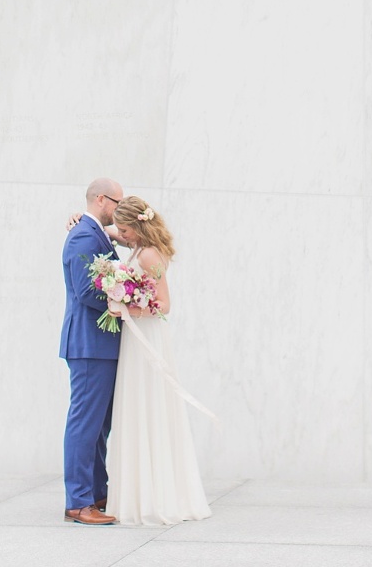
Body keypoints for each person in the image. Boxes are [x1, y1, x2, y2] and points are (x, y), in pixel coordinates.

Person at [106, 196, 212, 526]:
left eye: (124, 230)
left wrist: (125, 308)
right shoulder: (138, 247)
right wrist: (82, 220)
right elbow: (108, 229)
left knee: (147, 406)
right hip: (136, 336)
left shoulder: (149, 254)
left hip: (147, 337)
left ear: (137, 227)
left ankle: (154, 498)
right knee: (137, 406)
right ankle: (139, 494)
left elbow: (164, 305)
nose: (120, 235)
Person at [60, 177, 124, 526]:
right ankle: (79, 501)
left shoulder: (95, 233)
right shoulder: (84, 235)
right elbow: (88, 291)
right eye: (118, 202)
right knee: (85, 424)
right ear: (102, 199)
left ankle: (97, 493)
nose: (120, 209)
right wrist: (124, 299)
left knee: (100, 425)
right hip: (89, 345)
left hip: (102, 346)